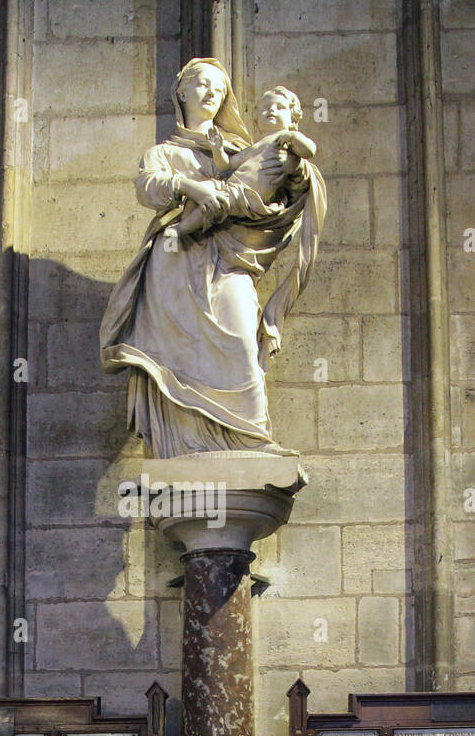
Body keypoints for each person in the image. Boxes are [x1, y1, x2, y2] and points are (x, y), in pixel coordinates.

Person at [99, 59, 327, 458]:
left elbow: (283, 190)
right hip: (173, 262)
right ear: (182, 91)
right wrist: (191, 186)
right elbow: (147, 187)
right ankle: (184, 448)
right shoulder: (164, 152)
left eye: (219, 90)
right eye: (202, 84)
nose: (211, 93)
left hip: (230, 261)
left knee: (241, 343)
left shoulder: (244, 150)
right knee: (177, 355)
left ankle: (249, 442)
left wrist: (296, 173)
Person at [166, 86, 318, 240]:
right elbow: (227, 165)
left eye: (280, 107)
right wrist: (217, 149)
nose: (272, 110)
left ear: (292, 119)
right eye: (265, 108)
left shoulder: (288, 140)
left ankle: (181, 229)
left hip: (247, 195)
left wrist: (294, 137)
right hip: (232, 186)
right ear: (256, 118)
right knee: (202, 191)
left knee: (214, 203)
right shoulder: (255, 147)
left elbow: (309, 151)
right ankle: (182, 224)